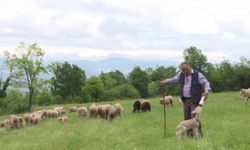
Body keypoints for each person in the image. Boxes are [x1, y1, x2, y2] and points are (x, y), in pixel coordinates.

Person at [161, 61, 211, 137]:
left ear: (190, 66)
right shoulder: (181, 74)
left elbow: (206, 82)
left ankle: (199, 137)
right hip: (185, 100)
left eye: (186, 69)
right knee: (187, 119)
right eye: (183, 70)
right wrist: (166, 81)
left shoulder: (197, 74)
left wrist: (207, 91)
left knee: (195, 119)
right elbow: (174, 79)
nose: (185, 71)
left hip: (195, 100)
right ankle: (190, 137)